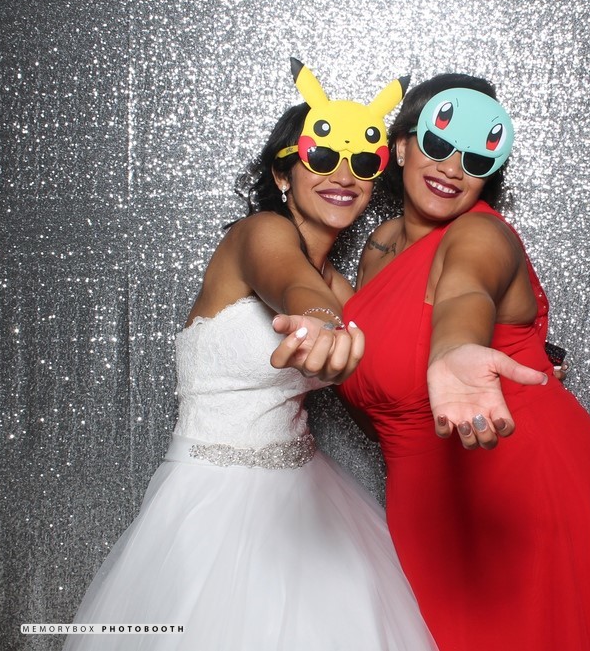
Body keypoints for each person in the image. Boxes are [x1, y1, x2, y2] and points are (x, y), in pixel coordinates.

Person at [65, 60, 436, 650]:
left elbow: (396, 359)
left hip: (308, 494)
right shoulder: (258, 233)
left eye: (363, 164)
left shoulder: (341, 285)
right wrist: (320, 323)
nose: (344, 176)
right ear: (283, 174)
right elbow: (294, 284)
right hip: (213, 498)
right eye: (322, 158)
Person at [335, 75, 590, 650]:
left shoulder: (480, 235)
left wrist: (454, 349)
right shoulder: (379, 246)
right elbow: (381, 390)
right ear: (400, 147)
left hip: (527, 491)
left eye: (476, 158)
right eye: (438, 145)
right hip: (428, 507)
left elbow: (465, 292)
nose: (453, 168)